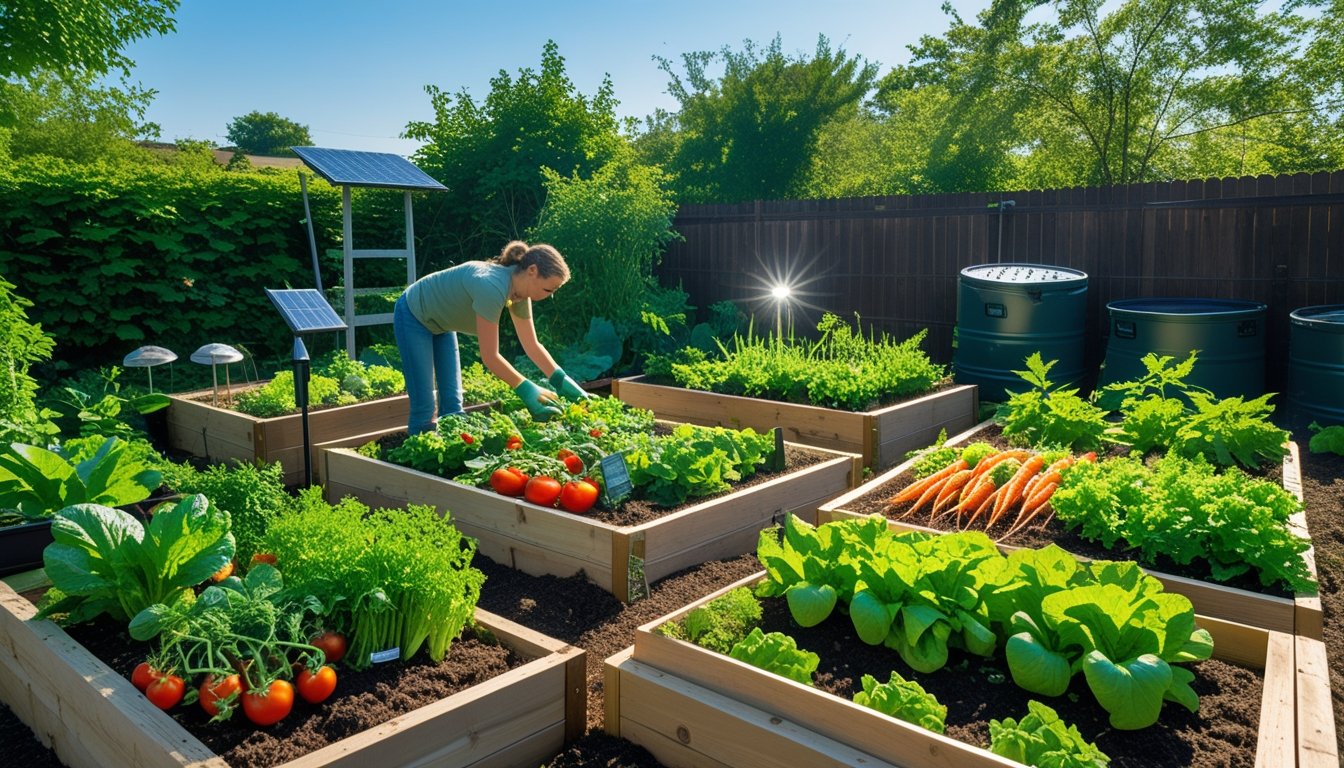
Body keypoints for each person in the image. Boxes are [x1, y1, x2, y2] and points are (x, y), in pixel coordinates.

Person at [393, 240, 592, 435]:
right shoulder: (491, 286)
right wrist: (526, 389)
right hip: (414, 314)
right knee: (425, 409)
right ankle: (419, 451)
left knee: (453, 406)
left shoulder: (520, 293)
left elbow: (531, 344)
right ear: (532, 270)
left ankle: (449, 452)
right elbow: (490, 357)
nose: (549, 296)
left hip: (443, 323)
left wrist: (560, 379)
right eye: (548, 290)